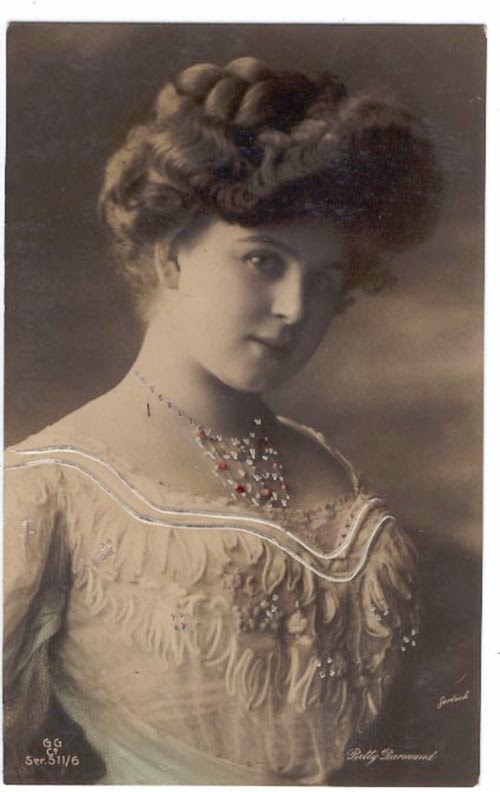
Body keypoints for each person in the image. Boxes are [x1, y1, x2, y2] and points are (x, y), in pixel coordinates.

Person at [3, 56, 441, 784]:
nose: (295, 308)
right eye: (263, 261)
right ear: (171, 258)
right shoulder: (44, 491)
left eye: (324, 280)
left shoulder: (333, 472)